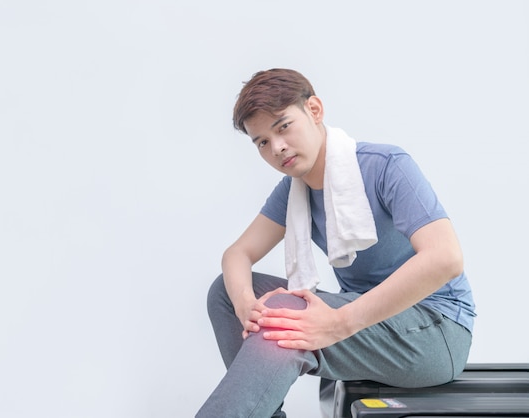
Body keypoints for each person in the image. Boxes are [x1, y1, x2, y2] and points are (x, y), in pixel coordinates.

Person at [196, 68, 476, 418]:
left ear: (314, 110)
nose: (277, 147)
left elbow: (446, 258)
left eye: (283, 126)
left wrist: (339, 322)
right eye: (262, 142)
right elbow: (237, 254)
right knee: (226, 292)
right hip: (369, 321)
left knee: (288, 311)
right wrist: (246, 306)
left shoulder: (386, 166)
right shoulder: (294, 191)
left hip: (436, 331)